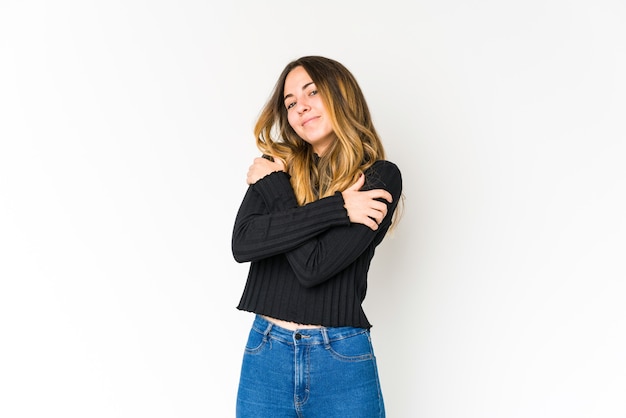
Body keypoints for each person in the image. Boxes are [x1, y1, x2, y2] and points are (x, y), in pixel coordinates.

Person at [231, 55, 403, 418]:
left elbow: (314, 266)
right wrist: (338, 209)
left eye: (312, 92)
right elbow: (243, 243)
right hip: (266, 354)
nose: (300, 107)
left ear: (342, 96)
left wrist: (278, 193)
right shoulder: (277, 168)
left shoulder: (380, 178)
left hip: (340, 358)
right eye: (291, 102)